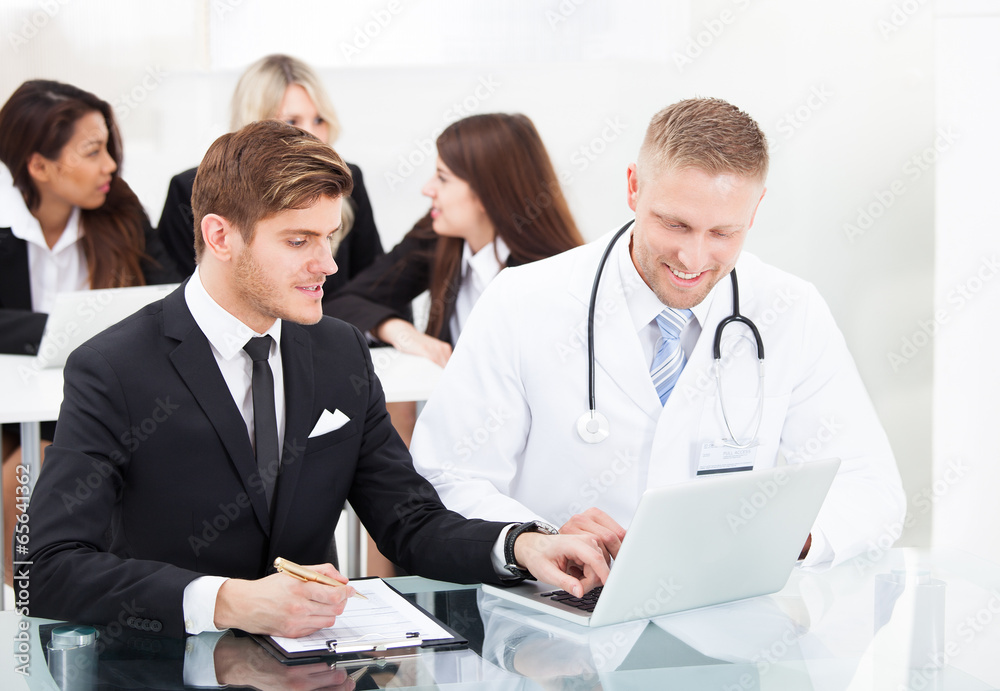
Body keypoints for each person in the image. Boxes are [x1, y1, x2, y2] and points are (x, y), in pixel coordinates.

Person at [25, 120, 607, 640]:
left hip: (316, 664)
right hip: (166, 663)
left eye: (329, 237)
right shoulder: (113, 367)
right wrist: (225, 601)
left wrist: (521, 545)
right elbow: (49, 567)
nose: (327, 264)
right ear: (220, 236)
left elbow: (409, 521)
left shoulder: (341, 352)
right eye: (298, 241)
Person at [409, 98, 906, 568]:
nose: (692, 259)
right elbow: (446, 477)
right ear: (633, 187)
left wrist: (780, 535)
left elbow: (870, 488)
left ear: (755, 211)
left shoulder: (791, 310)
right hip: (549, 621)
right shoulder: (521, 300)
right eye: (674, 224)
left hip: (721, 620)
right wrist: (539, 537)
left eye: (722, 234)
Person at [0, 79, 177, 584]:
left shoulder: (118, 208)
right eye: (92, 151)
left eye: (108, 148)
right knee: (26, 472)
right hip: (17, 411)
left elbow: (168, 298)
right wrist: (68, 327)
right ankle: (29, 613)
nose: (110, 166)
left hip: (108, 404)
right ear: (39, 166)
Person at [325, 112, 583, 368]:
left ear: (487, 193)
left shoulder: (554, 279)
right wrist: (398, 331)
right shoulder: (438, 236)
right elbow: (341, 304)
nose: (427, 189)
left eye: (443, 178)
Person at [157, 53, 384, 296]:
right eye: (291, 121)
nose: (311, 135)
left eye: (319, 119)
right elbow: (183, 296)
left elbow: (376, 281)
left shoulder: (345, 182)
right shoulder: (189, 189)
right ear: (255, 124)